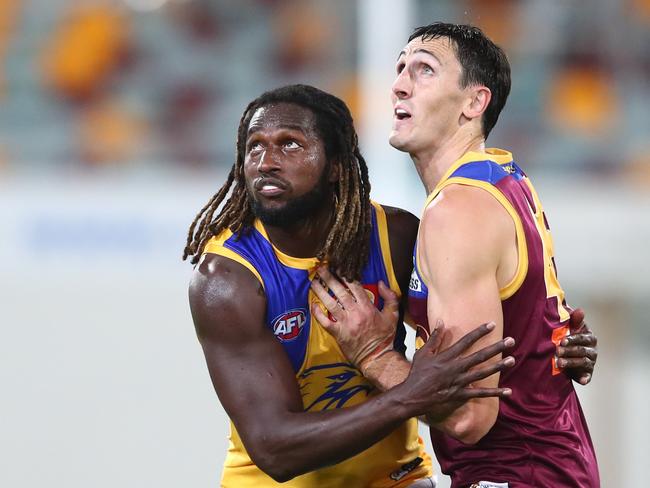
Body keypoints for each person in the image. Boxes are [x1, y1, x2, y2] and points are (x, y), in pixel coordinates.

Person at [183, 84, 519, 487]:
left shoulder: (395, 238)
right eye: (254, 147)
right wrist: (408, 393)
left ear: (336, 165)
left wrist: (554, 344)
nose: (266, 161)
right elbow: (275, 448)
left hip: (397, 479)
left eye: (290, 145)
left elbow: (484, 338)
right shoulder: (226, 280)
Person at [312, 23, 599, 487]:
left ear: (474, 103)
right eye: (401, 67)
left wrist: (373, 355)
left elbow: (471, 416)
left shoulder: (457, 209)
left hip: (517, 472)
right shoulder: (505, 178)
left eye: (424, 70)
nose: (399, 84)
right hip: (552, 464)